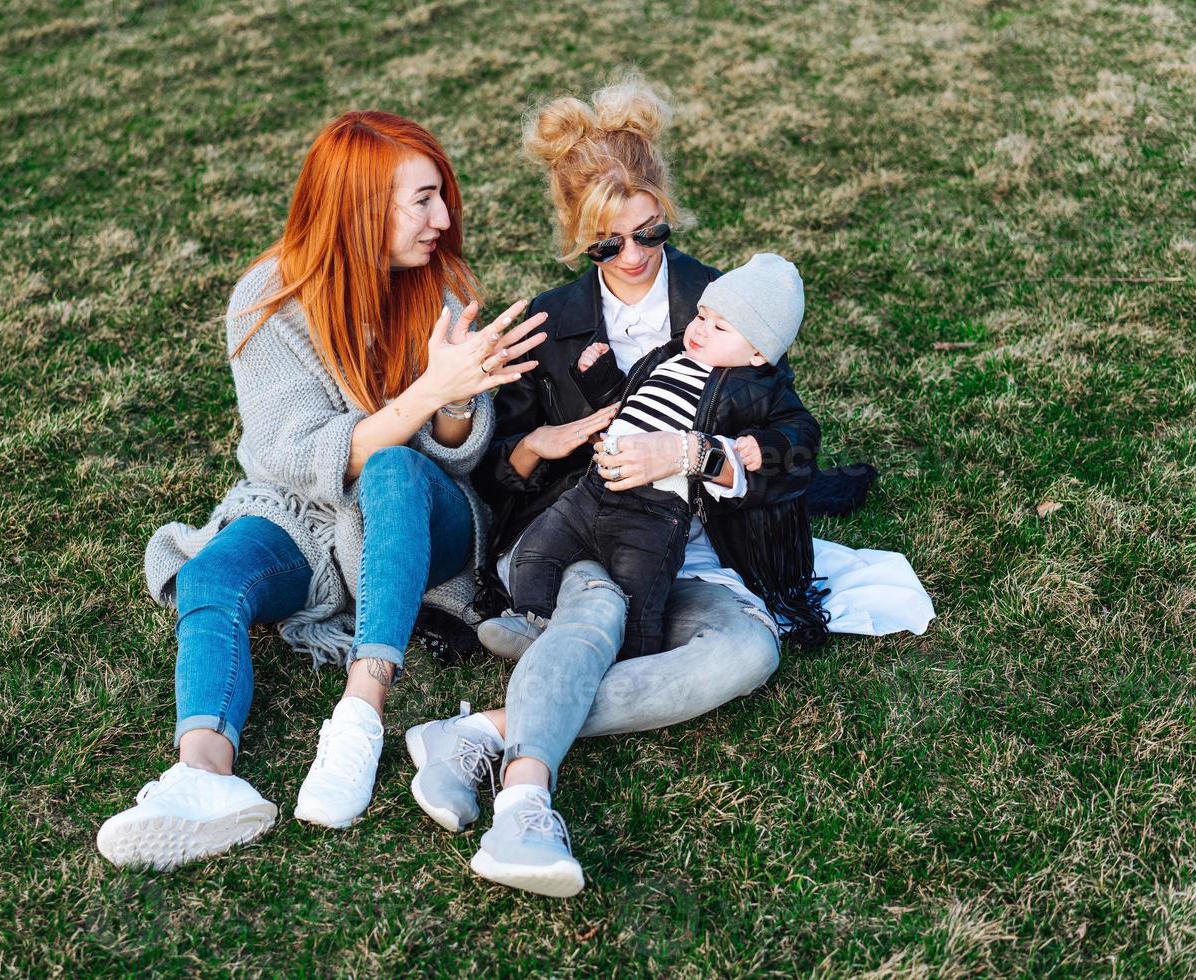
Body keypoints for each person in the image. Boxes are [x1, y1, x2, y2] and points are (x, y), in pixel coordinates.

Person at [404, 79, 848, 897]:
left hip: (709, 553)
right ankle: (526, 802)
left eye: (650, 233)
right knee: (600, 609)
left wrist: (696, 453)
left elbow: (793, 450)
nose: (636, 257)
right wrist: (541, 441)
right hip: (590, 537)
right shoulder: (544, 322)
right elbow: (500, 476)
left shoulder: (725, 303)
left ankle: (480, 732)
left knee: (750, 652)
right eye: (607, 244)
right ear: (578, 237)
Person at [96, 110, 547, 871]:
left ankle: (359, 717)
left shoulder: (434, 290)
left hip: (422, 509)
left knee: (393, 468)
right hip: (301, 511)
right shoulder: (267, 299)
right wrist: (427, 390)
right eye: (424, 200)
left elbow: (460, 458)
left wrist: (458, 401)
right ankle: (202, 776)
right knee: (211, 573)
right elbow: (296, 454)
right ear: (360, 204)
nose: (443, 219)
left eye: (443, 199)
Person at [494, 252, 826, 662]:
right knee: (538, 550)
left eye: (719, 327)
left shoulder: (757, 387)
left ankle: (632, 659)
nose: (700, 330)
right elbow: (630, 404)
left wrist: (766, 444)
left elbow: (801, 434)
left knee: (640, 593)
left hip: (656, 512)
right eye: (701, 316)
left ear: (758, 353)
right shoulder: (669, 356)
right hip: (593, 490)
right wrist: (598, 379)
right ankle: (531, 622)